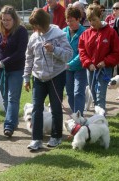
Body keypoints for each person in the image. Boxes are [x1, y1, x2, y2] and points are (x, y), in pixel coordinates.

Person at [24, 8, 73, 151]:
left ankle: (56, 136)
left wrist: (54, 50)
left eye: (36, 25)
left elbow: (69, 55)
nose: (35, 28)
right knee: (36, 108)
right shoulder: (33, 37)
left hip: (56, 76)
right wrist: (26, 77)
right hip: (38, 77)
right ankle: (36, 139)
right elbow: (29, 57)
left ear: (43, 23)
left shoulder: (59, 35)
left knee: (55, 107)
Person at [0, 5, 28, 137]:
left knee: (12, 98)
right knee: (5, 98)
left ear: (14, 19)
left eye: (8, 20)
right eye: (3, 20)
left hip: (16, 69)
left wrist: (5, 62)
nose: (5, 22)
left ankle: (8, 125)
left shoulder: (21, 31)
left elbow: (21, 52)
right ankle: (14, 121)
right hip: (0, 70)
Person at [79, 4, 119, 112]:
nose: (92, 23)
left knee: (100, 95)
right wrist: (88, 63)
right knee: (93, 93)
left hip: (105, 69)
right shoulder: (85, 34)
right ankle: (98, 115)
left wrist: (105, 61)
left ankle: (101, 118)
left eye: (94, 19)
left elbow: (117, 52)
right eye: (90, 20)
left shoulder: (111, 32)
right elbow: (82, 51)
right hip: (90, 69)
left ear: (100, 16)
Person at [63, 7, 87, 114]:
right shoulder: (63, 32)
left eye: (71, 20)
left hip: (80, 68)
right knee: (69, 92)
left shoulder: (85, 33)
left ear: (78, 19)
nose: (69, 23)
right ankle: (75, 114)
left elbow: (82, 53)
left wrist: (70, 64)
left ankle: (79, 116)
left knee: (78, 92)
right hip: (67, 69)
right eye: (67, 20)